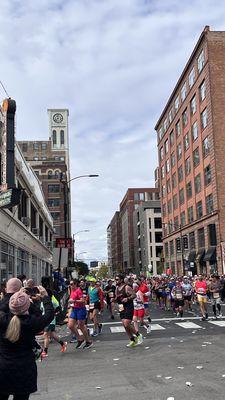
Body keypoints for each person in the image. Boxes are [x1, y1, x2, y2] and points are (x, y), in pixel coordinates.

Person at [0, 286, 54, 399]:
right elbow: (48, 315)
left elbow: (2, 308)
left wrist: (14, 297)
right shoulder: (31, 323)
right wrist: (45, 297)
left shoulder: (3, 319)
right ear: (27, 307)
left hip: (3, 367)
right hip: (25, 369)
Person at [115, 274, 143, 347]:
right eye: (115, 279)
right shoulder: (117, 288)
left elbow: (134, 295)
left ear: (121, 280)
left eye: (117, 279)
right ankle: (132, 340)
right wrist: (113, 299)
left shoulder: (127, 287)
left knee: (127, 323)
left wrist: (127, 298)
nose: (116, 281)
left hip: (128, 306)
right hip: (121, 307)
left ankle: (138, 335)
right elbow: (117, 297)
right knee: (125, 325)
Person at [41, 288, 67, 357]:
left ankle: (45, 351)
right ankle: (62, 343)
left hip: (50, 320)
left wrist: (53, 314)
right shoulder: (43, 300)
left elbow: (59, 309)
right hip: (44, 320)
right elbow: (41, 310)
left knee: (46, 335)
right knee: (52, 335)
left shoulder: (52, 301)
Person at [68, 280, 93, 349]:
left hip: (81, 309)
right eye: (70, 284)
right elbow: (71, 298)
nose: (71, 285)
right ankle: (80, 339)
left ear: (76, 284)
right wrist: (70, 303)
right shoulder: (71, 290)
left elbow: (83, 301)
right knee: (70, 325)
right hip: (74, 309)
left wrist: (74, 301)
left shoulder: (78, 290)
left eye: (72, 284)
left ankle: (88, 341)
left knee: (81, 326)